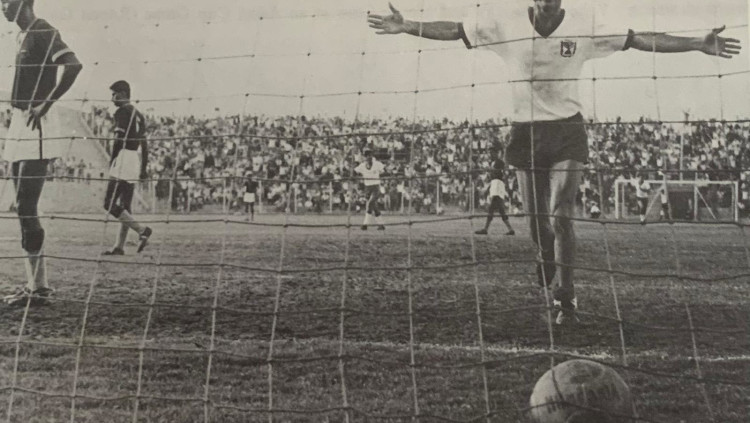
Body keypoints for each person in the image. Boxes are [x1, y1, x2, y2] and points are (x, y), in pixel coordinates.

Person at [368, 0, 741, 324]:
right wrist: (407, 26)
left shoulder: (584, 27)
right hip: (525, 132)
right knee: (537, 225)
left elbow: (640, 38)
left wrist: (697, 43)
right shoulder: (504, 24)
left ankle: (566, 297)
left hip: (567, 131)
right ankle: (545, 254)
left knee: (562, 215)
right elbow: (455, 29)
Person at [0, 0, 82, 307]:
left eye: (7, 1)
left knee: (27, 204)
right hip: (20, 120)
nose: (2, 7)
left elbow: (74, 65)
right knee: (21, 207)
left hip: (38, 121)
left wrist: (46, 104)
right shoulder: (22, 35)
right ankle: (35, 286)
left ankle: (39, 289)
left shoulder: (44, 30)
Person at [102, 80, 152, 256]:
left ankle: (142, 230)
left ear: (123, 94)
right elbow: (144, 145)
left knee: (108, 203)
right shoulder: (139, 114)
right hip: (134, 159)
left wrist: (112, 160)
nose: (112, 98)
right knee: (125, 205)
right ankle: (119, 246)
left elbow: (118, 140)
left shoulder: (122, 112)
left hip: (123, 157)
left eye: (114, 94)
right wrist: (143, 168)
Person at [475, 160, 516, 236]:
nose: (492, 167)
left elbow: (493, 174)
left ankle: (485, 229)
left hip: (497, 187)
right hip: (496, 186)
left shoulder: (499, 173)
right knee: (500, 210)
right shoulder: (498, 173)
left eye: (493, 166)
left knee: (492, 208)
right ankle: (510, 229)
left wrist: (488, 170)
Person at [354, 148, 386, 230]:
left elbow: (384, 171)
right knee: (374, 207)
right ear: (364, 157)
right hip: (367, 188)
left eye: (370, 155)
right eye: (367, 155)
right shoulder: (362, 166)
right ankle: (381, 225)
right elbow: (354, 172)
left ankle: (365, 224)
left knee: (370, 203)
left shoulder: (377, 164)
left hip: (376, 187)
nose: (369, 157)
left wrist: (379, 177)